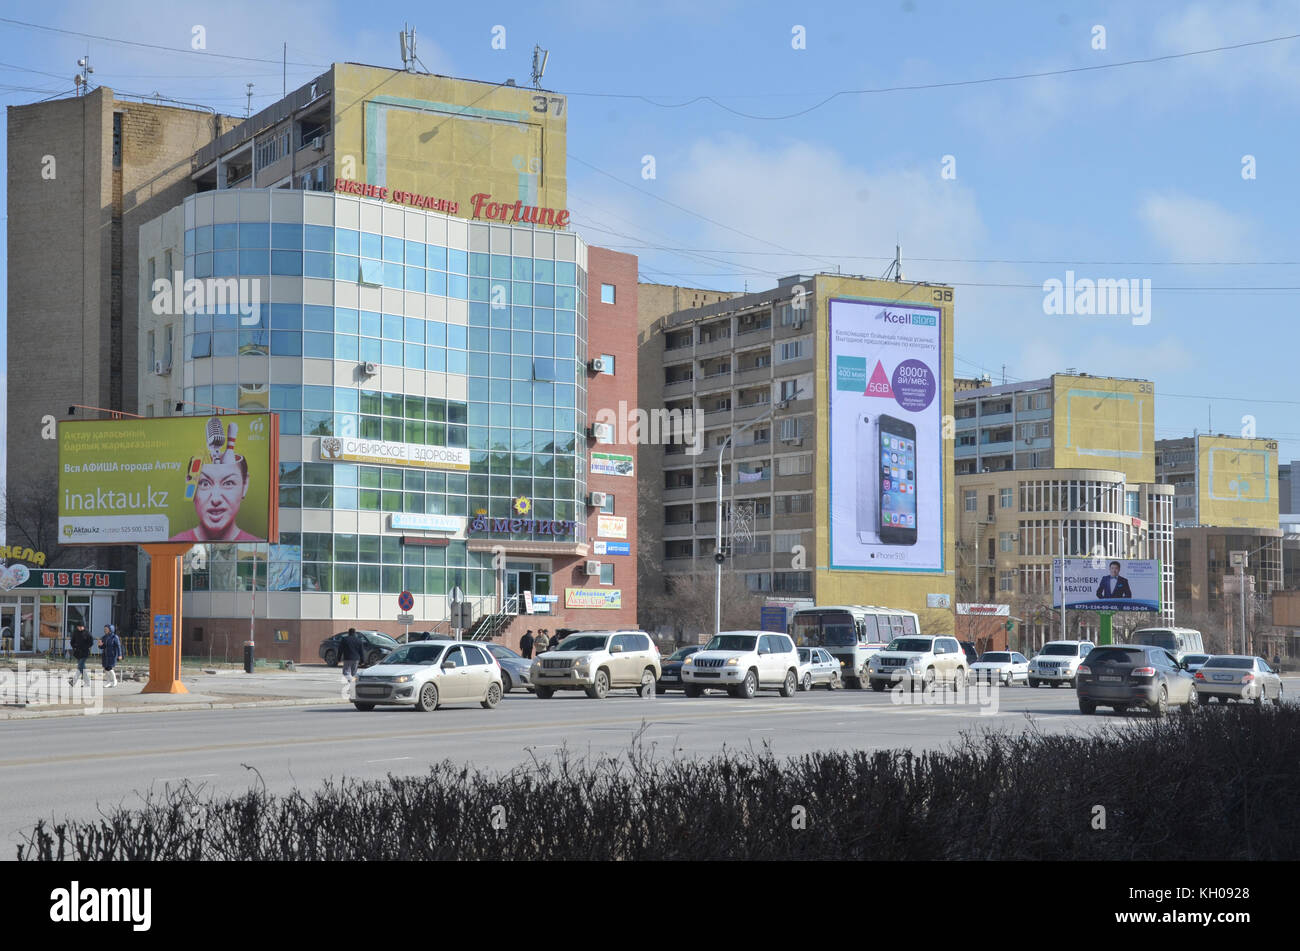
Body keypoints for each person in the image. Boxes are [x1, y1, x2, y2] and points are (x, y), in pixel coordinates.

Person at [170, 420, 260, 542]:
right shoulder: (174, 544)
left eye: (228, 483)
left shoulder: (255, 546)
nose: (216, 499)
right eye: (205, 483)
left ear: (245, 485)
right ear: (190, 486)